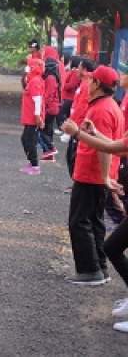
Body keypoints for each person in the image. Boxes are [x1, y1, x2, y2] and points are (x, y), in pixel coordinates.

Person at [61, 109, 128, 333]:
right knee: (112, 246)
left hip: (94, 181)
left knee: (109, 243)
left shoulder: (103, 107)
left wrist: (77, 132)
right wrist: (96, 132)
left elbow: (111, 148)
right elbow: (117, 144)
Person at [59, 66, 124, 285]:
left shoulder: (101, 109)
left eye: (90, 80)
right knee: (93, 221)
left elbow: (106, 148)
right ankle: (99, 268)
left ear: (96, 83)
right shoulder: (106, 106)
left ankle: (89, 270)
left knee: (79, 221)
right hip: (97, 174)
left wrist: (104, 176)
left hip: (92, 175)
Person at [19, 59, 45, 175]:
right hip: (31, 117)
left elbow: (37, 99)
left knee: (29, 141)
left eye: (29, 66)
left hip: (33, 118)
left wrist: (37, 116)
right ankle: (32, 163)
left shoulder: (35, 81)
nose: (27, 68)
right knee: (26, 139)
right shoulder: (33, 80)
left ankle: (35, 166)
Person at [38, 58, 61, 162]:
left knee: (40, 130)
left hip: (50, 108)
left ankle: (50, 149)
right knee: (47, 130)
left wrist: (42, 106)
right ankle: (48, 153)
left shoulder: (50, 78)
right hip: (52, 107)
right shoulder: (53, 77)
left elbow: (48, 95)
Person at [60, 57, 82, 126]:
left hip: (69, 97)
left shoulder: (75, 72)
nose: (69, 63)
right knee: (66, 114)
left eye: (70, 62)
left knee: (62, 113)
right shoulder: (72, 71)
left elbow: (72, 85)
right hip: (67, 97)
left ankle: (63, 128)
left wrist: (63, 84)